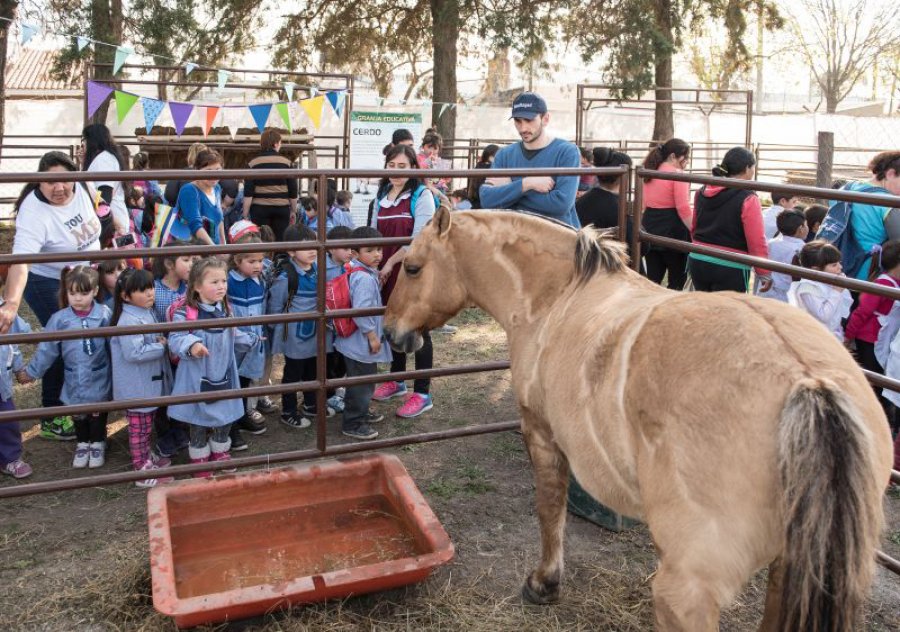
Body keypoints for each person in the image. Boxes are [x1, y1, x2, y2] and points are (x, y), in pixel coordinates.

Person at [0, 151, 103, 441]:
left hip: (87, 276)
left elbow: (98, 211)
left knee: (95, 330)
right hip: (48, 281)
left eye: (64, 180)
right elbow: (21, 261)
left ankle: (91, 397)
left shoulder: (81, 186)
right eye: (49, 183)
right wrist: (10, 303)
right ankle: (51, 414)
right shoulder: (34, 212)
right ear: (38, 184)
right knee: (61, 336)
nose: (59, 188)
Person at [167, 258, 262, 477]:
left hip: (225, 371)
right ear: (197, 286)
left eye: (223, 281)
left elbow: (233, 333)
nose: (221, 286)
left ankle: (220, 450)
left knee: (226, 412)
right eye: (214, 282)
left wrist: (250, 339)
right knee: (199, 416)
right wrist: (192, 345)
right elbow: (176, 337)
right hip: (197, 374)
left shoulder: (227, 309)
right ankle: (199, 457)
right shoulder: (186, 312)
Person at [369, 144, 437, 418]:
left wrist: (389, 262)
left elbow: (418, 240)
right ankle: (396, 380)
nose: (396, 172)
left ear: (412, 169)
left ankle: (422, 393)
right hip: (384, 269)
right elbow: (373, 234)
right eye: (392, 166)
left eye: (402, 167)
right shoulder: (381, 196)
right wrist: (373, 262)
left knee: (419, 328)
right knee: (392, 322)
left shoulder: (422, 196)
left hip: (411, 270)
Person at [24, 266, 112, 469]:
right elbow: (48, 350)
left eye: (84, 293)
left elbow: (114, 343)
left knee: (98, 411)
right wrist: (32, 372)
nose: (78, 298)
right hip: (73, 376)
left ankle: (98, 441)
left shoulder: (103, 315)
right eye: (72, 293)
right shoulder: (60, 319)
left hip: (99, 373)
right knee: (78, 412)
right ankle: (83, 442)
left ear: (95, 291)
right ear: (66, 292)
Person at [109, 268, 173, 488]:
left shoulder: (146, 312)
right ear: (125, 296)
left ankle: (146, 457)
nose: (150, 294)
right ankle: (140, 467)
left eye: (151, 288)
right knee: (139, 428)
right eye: (143, 290)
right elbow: (134, 353)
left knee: (146, 424)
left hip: (147, 382)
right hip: (136, 385)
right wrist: (160, 346)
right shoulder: (128, 321)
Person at [479, 92, 581, 227]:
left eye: (529, 120)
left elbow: (561, 204)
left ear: (545, 119)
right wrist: (526, 184)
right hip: (515, 237)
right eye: (518, 121)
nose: (523, 128)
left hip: (557, 237)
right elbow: (487, 199)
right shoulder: (504, 155)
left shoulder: (567, 152)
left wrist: (511, 191)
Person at [268, 224, 333, 428]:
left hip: (315, 330)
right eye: (306, 248)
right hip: (295, 334)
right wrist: (275, 330)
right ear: (292, 251)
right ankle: (288, 411)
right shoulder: (286, 277)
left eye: (314, 245)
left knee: (313, 368)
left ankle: (311, 403)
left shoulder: (317, 269)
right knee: (293, 372)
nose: (313, 250)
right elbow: (275, 307)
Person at [688, 147, 771, 293]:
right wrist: (763, 272)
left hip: (698, 258)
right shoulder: (748, 197)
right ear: (747, 168)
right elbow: (756, 239)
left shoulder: (702, 191)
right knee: (727, 314)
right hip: (730, 265)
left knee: (703, 311)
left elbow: (694, 226)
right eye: (753, 167)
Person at [335, 226, 392, 440]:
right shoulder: (365, 278)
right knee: (362, 383)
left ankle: (360, 412)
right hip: (361, 342)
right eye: (370, 250)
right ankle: (353, 422)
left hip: (354, 341)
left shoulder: (358, 271)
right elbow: (361, 311)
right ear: (355, 253)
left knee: (361, 381)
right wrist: (372, 336)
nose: (377, 254)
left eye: (379, 249)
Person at [226, 220, 268, 444]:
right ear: (237, 260)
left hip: (253, 340)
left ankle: (241, 415)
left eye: (260, 261)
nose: (257, 265)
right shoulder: (228, 282)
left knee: (244, 381)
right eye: (251, 261)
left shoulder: (260, 280)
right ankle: (230, 427)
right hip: (236, 341)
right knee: (232, 382)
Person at [833, 151, 900, 280]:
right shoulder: (888, 203)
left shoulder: (847, 188)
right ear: (890, 174)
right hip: (867, 273)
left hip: (833, 264)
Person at [641, 138, 693, 290]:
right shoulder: (678, 175)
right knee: (676, 281)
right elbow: (683, 207)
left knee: (652, 280)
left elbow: (644, 203)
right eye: (685, 157)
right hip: (673, 230)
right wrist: (694, 230)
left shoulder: (649, 172)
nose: (687, 161)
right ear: (673, 156)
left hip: (650, 226)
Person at [845, 240, 900, 376]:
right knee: (873, 378)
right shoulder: (882, 284)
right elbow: (862, 312)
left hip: (885, 339)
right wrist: (848, 336)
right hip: (870, 340)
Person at [787, 240, 852, 341]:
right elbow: (824, 315)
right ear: (816, 269)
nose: (840, 267)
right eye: (834, 265)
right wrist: (836, 291)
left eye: (839, 262)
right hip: (814, 339)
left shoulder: (829, 282)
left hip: (831, 335)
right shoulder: (807, 289)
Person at [242, 128, 298, 241]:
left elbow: (248, 192)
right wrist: (293, 210)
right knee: (280, 240)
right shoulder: (286, 163)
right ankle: (280, 258)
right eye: (280, 143)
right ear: (276, 144)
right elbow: (293, 190)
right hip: (281, 208)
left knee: (261, 239)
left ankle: (262, 258)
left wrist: (245, 213)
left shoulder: (253, 163)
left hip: (259, 209)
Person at [0, 294, 33, 479]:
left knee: (7, 420)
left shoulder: (3, 306)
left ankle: (10, 458)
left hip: (0, 381)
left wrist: (19, 367)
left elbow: (15, 338)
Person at [325, 225, 354, 414]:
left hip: (344, 323)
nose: (349, 252)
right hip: (328, 326)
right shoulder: (322, 268)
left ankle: (336, 389)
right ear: (331, 248)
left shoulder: (349, 267)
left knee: (342, 357)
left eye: (351, 248)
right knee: (328, 359)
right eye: (345, 248)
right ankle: (327, 395)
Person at [575, 147, 634, 241]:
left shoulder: (582, 201)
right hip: (611, 254)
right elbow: (642, 245)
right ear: (624, 175)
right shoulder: (618, 207)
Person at [80, 123, 129, 235]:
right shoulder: (105, 157)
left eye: (84, 140)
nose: (83, 145)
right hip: (110, 221)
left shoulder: (104, 159)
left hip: (110, 224)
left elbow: (105, 194)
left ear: (92, 140)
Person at [174, 149, 226, 246]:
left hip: (213, 246)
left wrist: (224, 244)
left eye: (218, 170)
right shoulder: (189, 190)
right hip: (194, 250)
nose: (214, 175)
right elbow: (196, 226)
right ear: (197, 170)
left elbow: (220, 219)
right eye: (208, 171)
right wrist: (217, 251)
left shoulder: (216, 188)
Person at [757, 208, 808, 302]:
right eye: (806, 225)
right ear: (801, 229)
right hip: (787, 295)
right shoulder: (803, 249)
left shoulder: (771, 243)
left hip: (766, 291)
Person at [417, 130, 451, 195]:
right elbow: (419, 169)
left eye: (435, 148)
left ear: (439, 150)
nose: (432, 151)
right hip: (425, 187)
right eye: (429, 147)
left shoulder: (439, 160)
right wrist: (428, 161)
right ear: (423, 146)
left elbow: (447, 178)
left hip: (439, 187)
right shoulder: (418, 157)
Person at [467, 143, 499, 208]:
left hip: (474, 202)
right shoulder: (492, 168)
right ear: (491, 156)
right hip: (486, 205)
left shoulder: (478, 165)